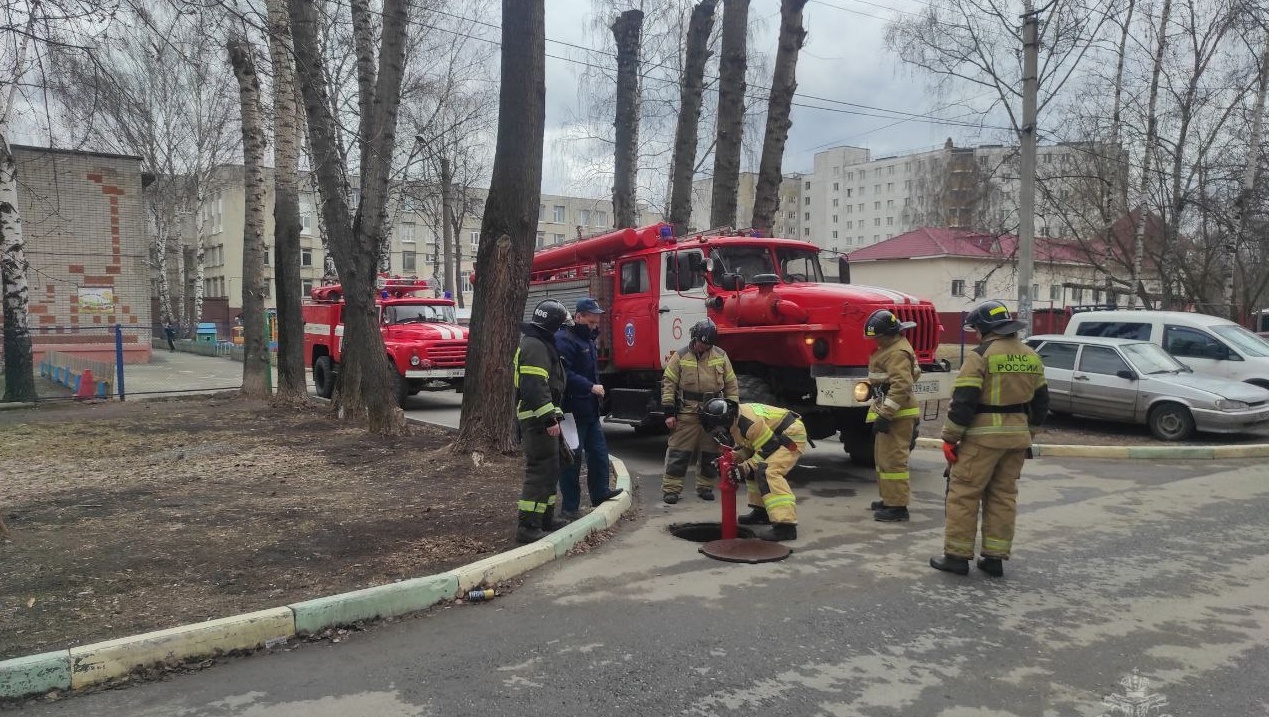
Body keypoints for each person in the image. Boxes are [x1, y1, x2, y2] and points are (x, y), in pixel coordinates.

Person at [931, 299, 1049, 577]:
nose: (976, 335)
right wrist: (1028, 433)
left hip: (981, 439)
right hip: (1017, 440)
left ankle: (957, 558)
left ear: (985, 328)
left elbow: (964, 401)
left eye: (976, 330)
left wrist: (950, 437)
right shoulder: (1031, 355)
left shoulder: (981, 355)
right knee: (1003, 497)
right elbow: (1042, 403)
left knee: (964, 496)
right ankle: (994, 558)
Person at [555, 297, 624, 519]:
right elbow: (563, 374)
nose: (594, 327)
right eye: (590, 322)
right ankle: (570, 507)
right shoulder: (565, 340)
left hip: (590, 410)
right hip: (571, 410)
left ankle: (600, 492)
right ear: (578, 317)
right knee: (572, 460)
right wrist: (590, 387)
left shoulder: (588, 339)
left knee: (599, 454)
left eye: (596, 323)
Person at [512, 299, 574, 544]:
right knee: (539, 472)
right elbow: (535, 387)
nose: (561, 331)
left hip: (544, 419)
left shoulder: (539, 343)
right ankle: (527, 527)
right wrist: (549, 418)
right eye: (560, 326)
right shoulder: (535, 346)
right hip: (537, 421)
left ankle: (545, 518)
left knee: (551, 469)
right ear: (551, 325)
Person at [700, 398, 805, 541]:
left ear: (723, 421)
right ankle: (761, 512)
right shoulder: (736, 419)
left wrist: (744, 468)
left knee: (769, 472)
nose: (718, 432)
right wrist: (732, 458)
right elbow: (750, 447)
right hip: (774, 438)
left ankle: (786, 526)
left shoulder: (747, 423)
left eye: (717, 427)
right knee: (751, 469)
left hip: (790, 436)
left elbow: (768, 448)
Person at [659, 318, 739, 504]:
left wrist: (732, 411)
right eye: (701, 343)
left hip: (714, 413)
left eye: (707, 344)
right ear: (694, 338)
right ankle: (671, 489)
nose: (704, 347)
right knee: (679, 452)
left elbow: (731, 384)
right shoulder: (679, 357)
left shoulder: (720, 355)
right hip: (688, 412)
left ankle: (705, 487)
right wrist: (669, 413)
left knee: (710, 452)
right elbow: (668, 385)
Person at [863, 309, 921, 522]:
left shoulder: (896, 352)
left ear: (889, 333)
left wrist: (886, 415)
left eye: (877, 336)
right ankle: (890, 499)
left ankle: (898, 507)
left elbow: (902, 385)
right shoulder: (892, 347)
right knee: (883, 459)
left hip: (897, 414)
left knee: (894, 461)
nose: (875, 340)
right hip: (891, 410)